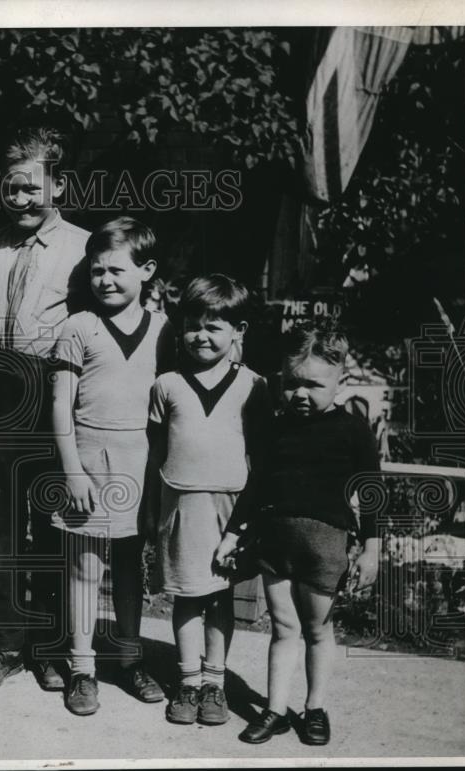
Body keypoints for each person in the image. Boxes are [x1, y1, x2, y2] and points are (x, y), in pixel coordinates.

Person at [0, 125, 91, 692]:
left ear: (58, 185)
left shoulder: (85, 249)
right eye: (11, 188)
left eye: (33, 187)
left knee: (55, 525)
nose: (21, 200)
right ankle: (5, 644)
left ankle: (52, 649)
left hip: (56, 395)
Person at [217, 321, 381, 746]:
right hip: (276, 543)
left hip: (325, 547)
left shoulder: (353, 430)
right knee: (283, 629)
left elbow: (372, 492)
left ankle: (315, 708)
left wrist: (372, 549)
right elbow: (257, 486)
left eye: (313, 385)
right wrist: (233, 534)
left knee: (318, 631)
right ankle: (274, 710)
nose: (301, 395)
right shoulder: (276, 426)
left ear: (339, 380)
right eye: (291, 384)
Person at [49, 217, 173, 715]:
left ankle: (127, 658)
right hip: (87, 462)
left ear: (147, 270)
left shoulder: (166, 331)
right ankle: (81, 668)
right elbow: (60, 405)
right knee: (83, 567)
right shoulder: (79, 326)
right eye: (96, 271)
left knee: (128, 566)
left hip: (138, 463)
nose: (104, 280)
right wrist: (72, 469)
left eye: (115, 270)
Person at [145, 274, 271, 726]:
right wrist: (149, 506)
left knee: (220, 596)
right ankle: (188, 681)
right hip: (181, 503)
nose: (201, 334)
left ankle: (214, 682)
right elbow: (156, 451)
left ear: (238, 331)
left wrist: (253, 518)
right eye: (194, 324)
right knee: (187, 596)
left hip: (231, 508)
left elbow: (259, 456)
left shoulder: (254, 385)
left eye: (214, 326)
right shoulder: (168, 385)